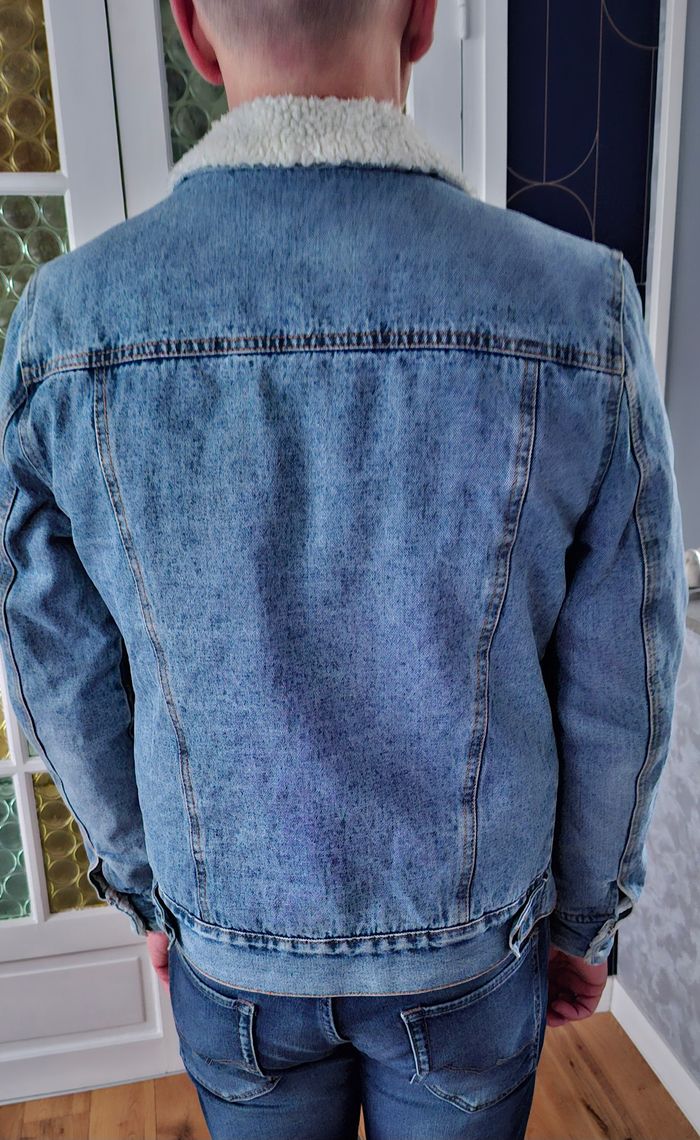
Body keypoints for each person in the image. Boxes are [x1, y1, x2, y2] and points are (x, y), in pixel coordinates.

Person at [0, 1, 687, 1137]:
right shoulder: (577, 309)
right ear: (420, 19)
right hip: (472, 946)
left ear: (193, 32)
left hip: (232, 945)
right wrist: (585, 916)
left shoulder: (68, 325)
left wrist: (145, 883)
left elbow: (56, 665)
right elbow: (627, 679)